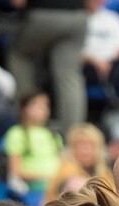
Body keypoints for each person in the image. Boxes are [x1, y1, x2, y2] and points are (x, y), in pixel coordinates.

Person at [7, 0, 88, 134]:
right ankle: (73, 136)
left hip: (43, 13)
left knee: (19, 55)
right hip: (78, 15)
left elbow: (18, 2)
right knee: (69, 75)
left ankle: (30, 126)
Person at [4, 91, 62, 201]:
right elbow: (15, 171)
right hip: (33, 190)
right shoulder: (16, 133)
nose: (43, 108)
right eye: (38, 105)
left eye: (46, 105)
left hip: (58, 187)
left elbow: (62, 162)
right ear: (25, 108)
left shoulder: (54, 134)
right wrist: (46, 178)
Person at [44, 122, 113, 203]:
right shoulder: (66, 171)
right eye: (80, 145)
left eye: (90, 144)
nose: (85, 150)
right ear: (71, 148)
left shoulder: (104, 172)